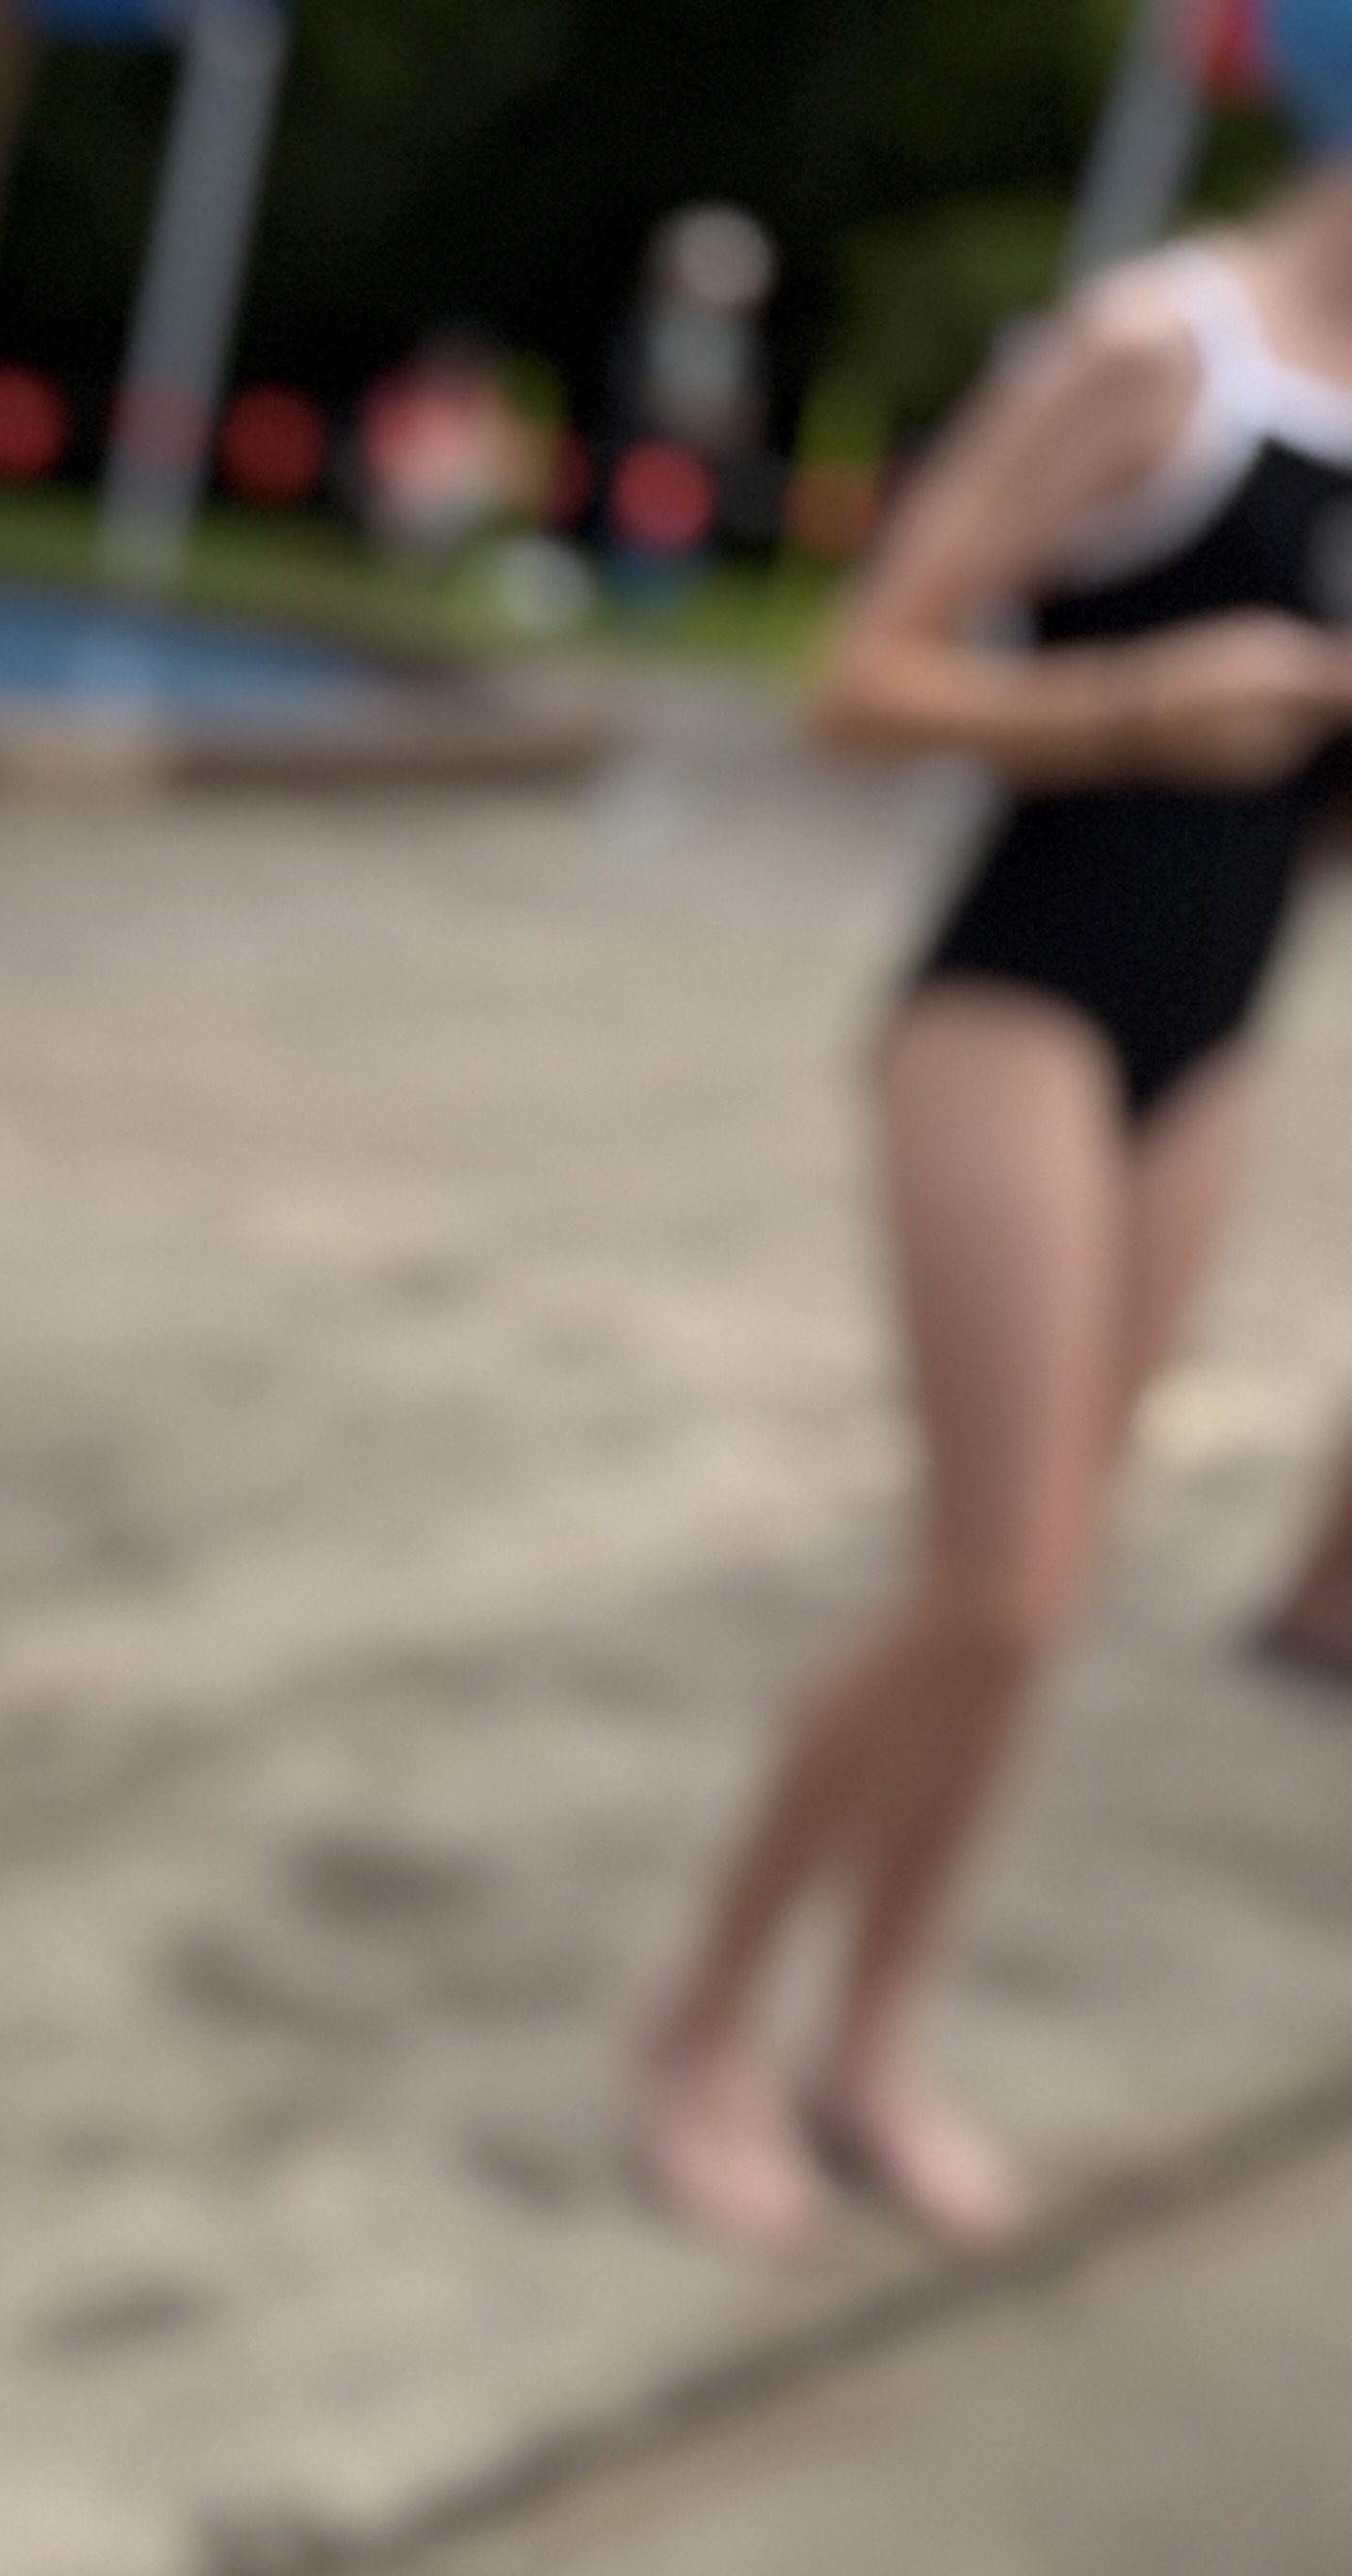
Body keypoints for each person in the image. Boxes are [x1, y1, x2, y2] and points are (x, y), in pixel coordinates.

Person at [638, 23, 1352, 2252]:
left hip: (1211, 1037)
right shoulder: (1165, 353)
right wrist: (1136, 702)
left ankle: (874, 2035)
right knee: (994, 1582)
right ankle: (703, 2022)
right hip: (1015, 1006)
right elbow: (859, 678)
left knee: (1047, 1608)